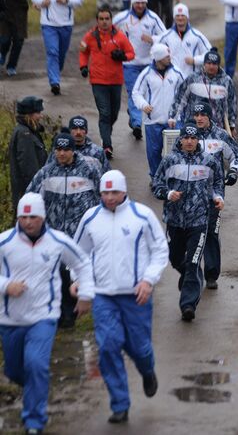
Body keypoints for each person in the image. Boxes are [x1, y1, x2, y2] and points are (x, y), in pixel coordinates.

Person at [73, 170, 168, 424]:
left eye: (114, 192)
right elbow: (78, 254)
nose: (110, 198)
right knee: (108, 346)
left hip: (136, 295)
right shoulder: (91, 217)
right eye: (105, 192)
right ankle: (120, 404)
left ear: (124, 191)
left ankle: (147, 370)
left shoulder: (142, 216)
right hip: (104, 296)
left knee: (140, 347)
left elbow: (160, 250)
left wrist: (149, 280)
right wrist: (78, 281)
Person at [0, 193, 94, 435]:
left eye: (33, 217)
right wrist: (5, 285)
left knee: (37, 363)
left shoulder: (57, 241)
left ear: (42, 217)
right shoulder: (5, 242)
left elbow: (82, 263)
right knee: (14, 371)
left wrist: (85, 295)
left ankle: (34, 421)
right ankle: (35, 385)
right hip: (10, 318)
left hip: (44, 316)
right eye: (23, 217)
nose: (28, 222)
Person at [26, 132, 101, 330]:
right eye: (58, 150)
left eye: (66, 149)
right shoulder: (46, 173)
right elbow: (31, 197)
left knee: (75, 270)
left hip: (80, 233)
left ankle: (73, 310)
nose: (61, 153)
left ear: (73, 150)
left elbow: (102, 196)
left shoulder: (89, 171)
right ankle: (62, 313)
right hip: (54, 232)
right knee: (58, 271)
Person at [152, 124, 224, 322]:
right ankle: (190, 275)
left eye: (194, 138)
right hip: (175, 220)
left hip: (199, 221)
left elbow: (218, 183)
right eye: (186, 138)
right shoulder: (169, 161)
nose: (190, 141)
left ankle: (188, 305)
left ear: (198, 140)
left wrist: (218, 198)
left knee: (193, 263)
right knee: (175, 258)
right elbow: (157, 185)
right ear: (181, 139)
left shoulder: (209, 162)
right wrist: (167, 194)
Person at [193, 102, 238, 289]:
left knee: (211, 232)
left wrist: (233, 172)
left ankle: (211, 274)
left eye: (202, 116)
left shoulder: (220, 135)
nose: (199, 119)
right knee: (193, 232)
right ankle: (192, 271)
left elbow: (237, 155)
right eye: (196, 116)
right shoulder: (188, 135)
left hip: (214, 192)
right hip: (191, 193)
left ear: (209, 116)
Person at [78, 7, 136, 160]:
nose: (104, 22)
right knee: (105, 113)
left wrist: (122, 55)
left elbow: (131, 53)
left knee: (114, 113)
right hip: (98, 81)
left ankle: (106, 133)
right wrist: (83, 66)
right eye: (101, 19)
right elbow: (83, 51)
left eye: (107, 19)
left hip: (115, 81)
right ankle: (107, 145)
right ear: (97, 21)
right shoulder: (90, 36)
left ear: (111, 20)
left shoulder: (119, 36)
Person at [113, 0, 166, 140]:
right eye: (137, 3)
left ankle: (134, 115)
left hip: (149, 64)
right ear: (132, 3)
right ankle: (137, 123)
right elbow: (109, 30)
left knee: (147, 94)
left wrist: (153, 39)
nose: (140, 5)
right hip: (129, 63)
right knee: (133, 92)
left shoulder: (153, 18)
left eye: (143, 3)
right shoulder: (122, 18)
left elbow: (166, 36)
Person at [28, 0, 84, 96]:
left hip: (66, 23)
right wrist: (41, 1)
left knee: (61, 53)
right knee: (52, 52)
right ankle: (55, 82)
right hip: (48, 24)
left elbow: (80, 0)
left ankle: (55, 73)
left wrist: (67, 0)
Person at [132, 43, 184, 178]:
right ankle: (156, 178)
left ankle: (173, 177)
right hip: (152, 121)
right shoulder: (146, 74)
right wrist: (143, 105)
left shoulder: (177, 72)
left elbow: (186, 92)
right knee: (154, 152)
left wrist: (180, 113)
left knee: (175, 152)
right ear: (158, 58)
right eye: (166, 56)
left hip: (173, 121)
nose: (169, 58)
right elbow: (136, 93)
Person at [169, 48, 238, 136]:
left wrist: (232, 126)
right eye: (209, 63)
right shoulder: (193, 78)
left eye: (214, 64)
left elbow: (232, 104)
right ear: (204, 64)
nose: (211, 66)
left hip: (217, 129)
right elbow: (180, 98)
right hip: (193, 127)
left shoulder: (227, 81)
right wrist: (173, 117)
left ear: (218, 65)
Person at [154, 3, 212, 78]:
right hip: (172, 79)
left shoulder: (197, 36)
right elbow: (154, 54)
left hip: (192, 79)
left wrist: (195, 60)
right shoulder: (165, 36)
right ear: (174, 18)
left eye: (183, 15)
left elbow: (210, 55)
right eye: (177, 16)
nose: (180, 18)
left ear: (187, 18)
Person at [9, 96, 46, 211]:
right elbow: (28, 167)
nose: (40, 116)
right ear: (29, 114)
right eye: (38, 113)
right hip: (29, 194)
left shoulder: (27, 131)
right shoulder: (24, 134)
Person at [46, 116, 110, 175]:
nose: (78, 132)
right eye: (75, 128)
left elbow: (108, 174)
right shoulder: (59, 150)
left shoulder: (97, 152)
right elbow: (47, 171)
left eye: (82, 129)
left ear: (86, 131)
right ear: (70, 131)